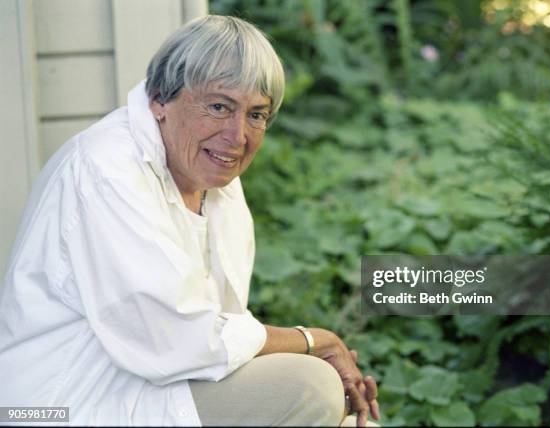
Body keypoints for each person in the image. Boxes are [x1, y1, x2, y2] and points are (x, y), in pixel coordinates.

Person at [0, 15, 380, 427]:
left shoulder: (214, 180)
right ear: (160, 100)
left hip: (152, 388)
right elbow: (178, 340)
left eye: (257, 114)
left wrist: (308, 357)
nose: (237, 136)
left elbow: (216, 343)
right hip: (58, 408)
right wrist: (310, 342)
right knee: (311, 388)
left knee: (347, 421)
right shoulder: (106, 170)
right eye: (219, 106)